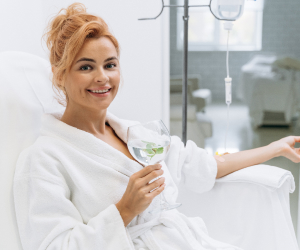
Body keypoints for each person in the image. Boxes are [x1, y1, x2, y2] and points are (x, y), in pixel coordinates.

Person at [13, 2, 300, 250]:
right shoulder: (43, 159)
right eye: (86, 67)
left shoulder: (137, 134)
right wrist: (124, 210)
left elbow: (205, 166)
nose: (102, 78)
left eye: (110, 65)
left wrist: (273, 147)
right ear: (60, 75)